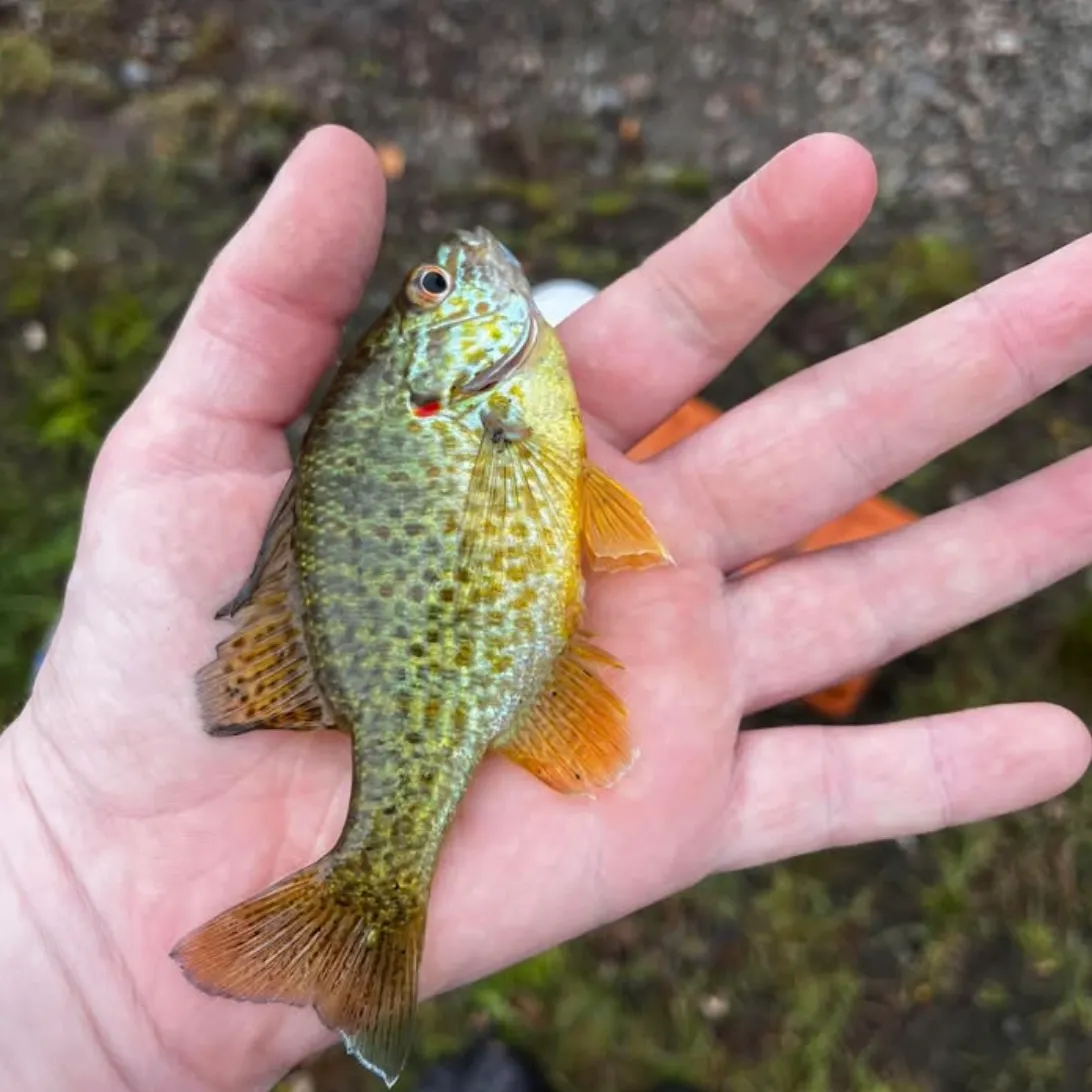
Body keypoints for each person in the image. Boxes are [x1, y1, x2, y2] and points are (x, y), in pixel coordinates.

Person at [1, 125, 1090, 1090]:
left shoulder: (485, 405)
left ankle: (362, 920)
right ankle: (371, 899)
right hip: (483, 664)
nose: (455, 273)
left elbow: (589, 508)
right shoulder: (463, 410)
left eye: (429, 286)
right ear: (427, 382)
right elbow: (585, 510)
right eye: (434, 292)